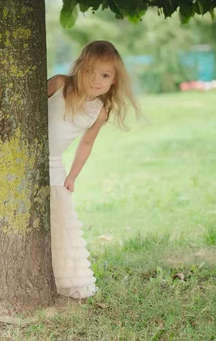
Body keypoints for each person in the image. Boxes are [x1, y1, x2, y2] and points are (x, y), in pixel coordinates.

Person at [48, 40, 142, 299]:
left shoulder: (98, 111)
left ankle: (58, 279)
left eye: (105, 75)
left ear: (114, 81)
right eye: (90, 71)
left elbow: (86, 144)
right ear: (79, 68)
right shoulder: (59, 84)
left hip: (54, 164)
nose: (96, 80)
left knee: (58, 224)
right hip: (28, 158)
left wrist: (72, 176)